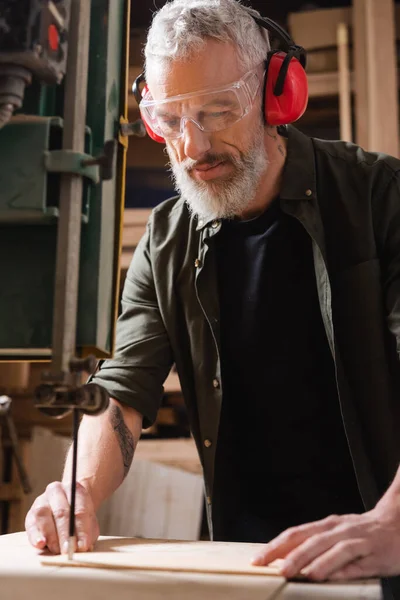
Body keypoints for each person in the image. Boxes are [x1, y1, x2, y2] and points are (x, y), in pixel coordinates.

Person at [25, 1, 400, 597]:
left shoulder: (379, 196)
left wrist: (393, 523)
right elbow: (125, 387)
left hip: (382, 557)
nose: (193, 145)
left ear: (276, 95)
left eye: (217, 110)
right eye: (170, 120)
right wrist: (78, 488)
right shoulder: (166, 238)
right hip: (247, 568)